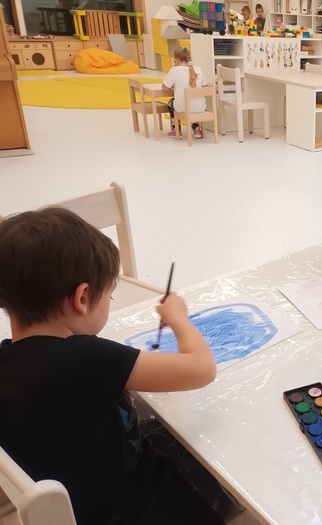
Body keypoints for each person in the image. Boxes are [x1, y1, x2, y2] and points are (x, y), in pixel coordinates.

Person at [0, 207, 227, 525]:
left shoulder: (8, 359)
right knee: (218, 470)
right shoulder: (81, 357)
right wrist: (179, 318)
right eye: (109, 297)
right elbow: (202, 369)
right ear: (82, 298)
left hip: (79, 502)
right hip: (128, 507)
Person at [162, 46, 207, 139]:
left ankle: (177, 130)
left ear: (176, 59)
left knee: (171, 103)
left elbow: (164, 87)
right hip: (200, 107)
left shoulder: (174, 70)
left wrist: (174, 66)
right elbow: (204, 85)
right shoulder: (198, 69)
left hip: (184, 108)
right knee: (192, 101)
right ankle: (197, 130)